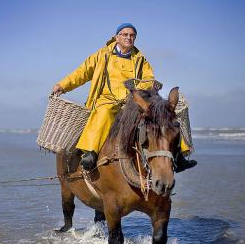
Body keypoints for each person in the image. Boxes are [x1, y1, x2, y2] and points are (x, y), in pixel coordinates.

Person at [52, 23, 197, 172]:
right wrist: (62, 85)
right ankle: (90, 152)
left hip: (132, 101)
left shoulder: (140, 59)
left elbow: (148, 78)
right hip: (107, 99)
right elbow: (82, 72)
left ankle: (179, 157)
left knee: (165, 117)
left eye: (132, 35)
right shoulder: (102, 55)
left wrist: (150, 86)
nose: (129, 37)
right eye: (125, 34)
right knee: (104, 113)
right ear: (117, 37)